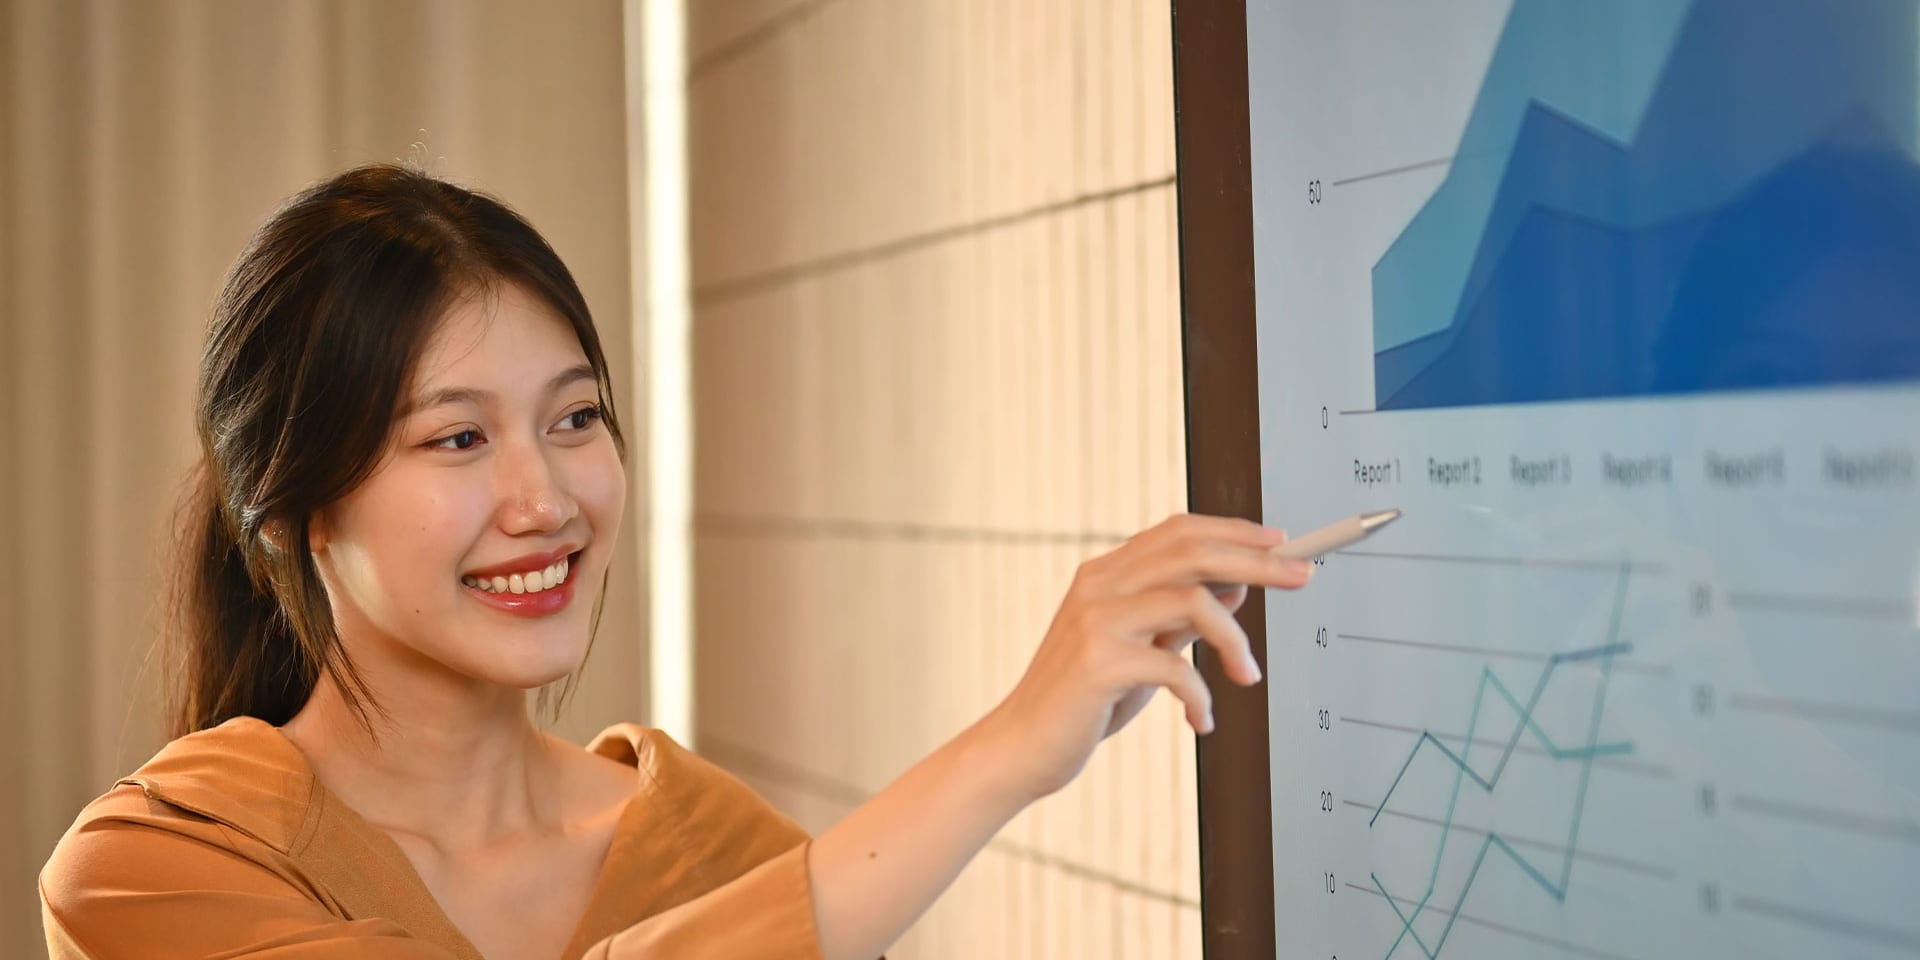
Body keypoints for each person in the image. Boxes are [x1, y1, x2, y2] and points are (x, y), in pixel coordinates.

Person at [37, 164, 1313, 960]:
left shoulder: (708, 845)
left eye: (576, 417)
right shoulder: (156, 867)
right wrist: (1005, 752)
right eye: (460, 437)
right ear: (298, 510)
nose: (545, 498)